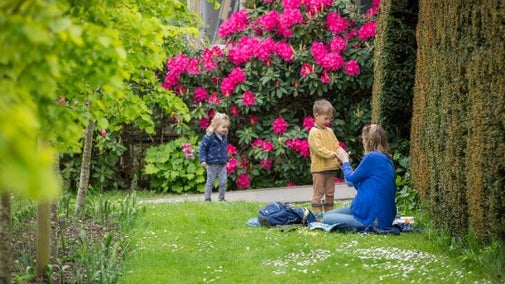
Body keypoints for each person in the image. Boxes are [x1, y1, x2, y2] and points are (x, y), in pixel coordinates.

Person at [323, 124, 397, 231]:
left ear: (368, 141)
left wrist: (345, 161)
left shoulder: (372, 157)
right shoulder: (385, 159)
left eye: (363, 139)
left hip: (372, 219)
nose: (362, 142)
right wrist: (344, 166)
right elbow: (359, 185)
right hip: (379, 216)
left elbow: (350, 180)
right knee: (329, 214)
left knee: (327, 217)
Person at [308, 99, 342, 221]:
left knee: (330, 193)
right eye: (326, 118)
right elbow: (319, 149)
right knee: (318, 194)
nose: (328, 122)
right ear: (316, 116)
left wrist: (341, 156)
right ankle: (318, 219)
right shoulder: (314, 132)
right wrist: (334, 155)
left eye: (330, 119)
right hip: (319, 169)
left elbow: (336, 145)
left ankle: (329, 217)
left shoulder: (330, 131)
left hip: (331, 169)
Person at [199, 112, 230, 202]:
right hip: (211, 164)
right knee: (210, 182)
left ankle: (221, 198)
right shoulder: (209, 137)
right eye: (223, 127)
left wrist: (227, 160)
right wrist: (203, 160)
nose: (225, 129)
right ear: (216, 126)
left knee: (223, 182)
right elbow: (203, 148)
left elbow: (225, 149)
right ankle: (207, 198)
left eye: (226, 127)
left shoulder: (224, 137)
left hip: (222, 164)